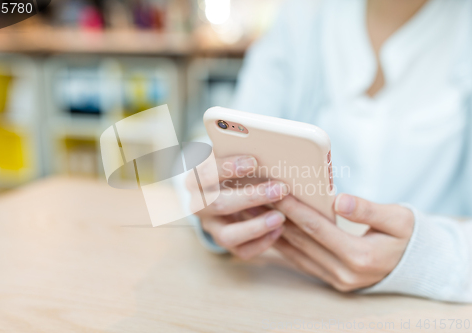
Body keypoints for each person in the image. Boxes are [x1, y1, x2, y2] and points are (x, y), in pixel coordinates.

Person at [183, 0, 472, 303]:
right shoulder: (302, 16)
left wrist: (426, 259)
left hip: (429, 310)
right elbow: (215, 145)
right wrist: (213, 203)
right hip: (290, 289)